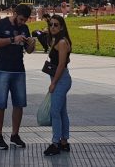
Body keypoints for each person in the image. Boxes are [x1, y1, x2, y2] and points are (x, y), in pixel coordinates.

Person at [0, 4, 36, 150]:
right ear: (15, 13)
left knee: (19, 104)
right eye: (21, 19)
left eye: (25, 21)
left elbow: (28, 51)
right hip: (2, 69)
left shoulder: (24, 28)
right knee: (0, 104)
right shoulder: (1, 24)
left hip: (18, 70)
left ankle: (15, 135)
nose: (23, 23)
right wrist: (12, 39)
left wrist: (31, 44)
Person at [44, 14, 73, 156]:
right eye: (51, 25)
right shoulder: (56, 40)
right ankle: (64, 141)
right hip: (59, 78)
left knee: (55, 111)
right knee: (61, 111)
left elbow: (61, 64)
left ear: (62, 27)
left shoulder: (61, 42)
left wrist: (54, 83)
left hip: (61, 79)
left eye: (56, 25)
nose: (53, 27)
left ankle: (55, 142)